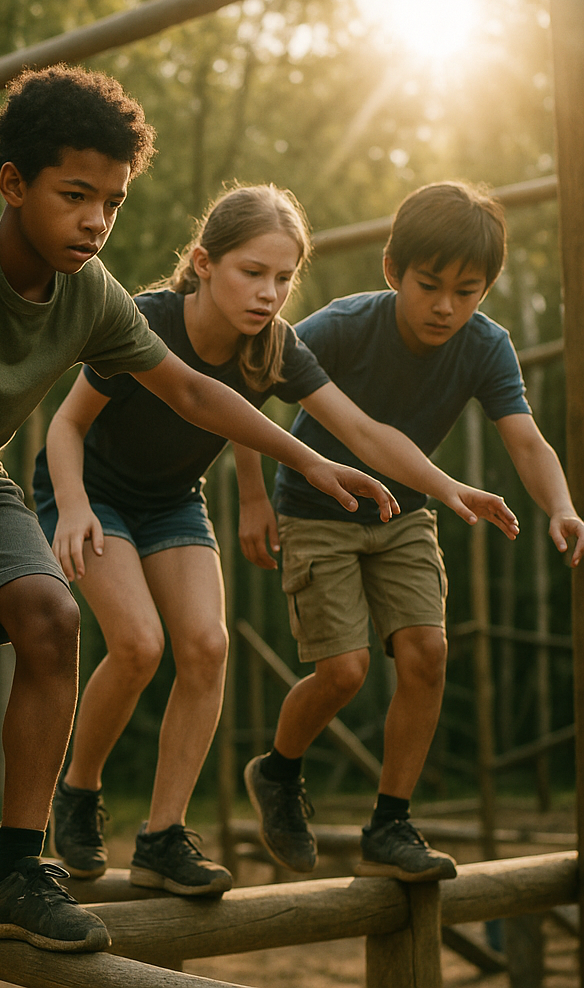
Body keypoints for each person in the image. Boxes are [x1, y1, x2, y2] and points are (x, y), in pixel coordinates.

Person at [0, 66, 401, 954]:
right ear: (14, 184)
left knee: (52, 619)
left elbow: (191, 391)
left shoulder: (91, 293)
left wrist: (311, 458)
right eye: (75, 196)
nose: (96, 222)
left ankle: (18, 870)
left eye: (111, 202)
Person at [33, 184, 518, 896]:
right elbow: (66, 424)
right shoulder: (145, 321)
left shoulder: (275, 348)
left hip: (170, 504)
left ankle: (163, 836)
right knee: (138, 644)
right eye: (251, 273)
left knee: (207, 646)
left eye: (284, 278)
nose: (269, 293)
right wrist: (72, 507)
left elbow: (360, 430)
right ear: (203, 262)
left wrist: (447, 487)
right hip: (91, 493)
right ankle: (78, 792)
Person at [241, 181, 583, 883]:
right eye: (431, 286)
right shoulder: (343, 326)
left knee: (427, 653)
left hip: (407, 511)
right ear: (394, 269)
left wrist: (561, 506)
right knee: (343, 671)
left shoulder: (486, 347)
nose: (447, 307)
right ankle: (278, 772)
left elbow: (525, 441)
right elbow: (242, 395)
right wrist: (252, 498)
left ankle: (391, 823)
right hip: (317, 508)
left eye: (468, 291)